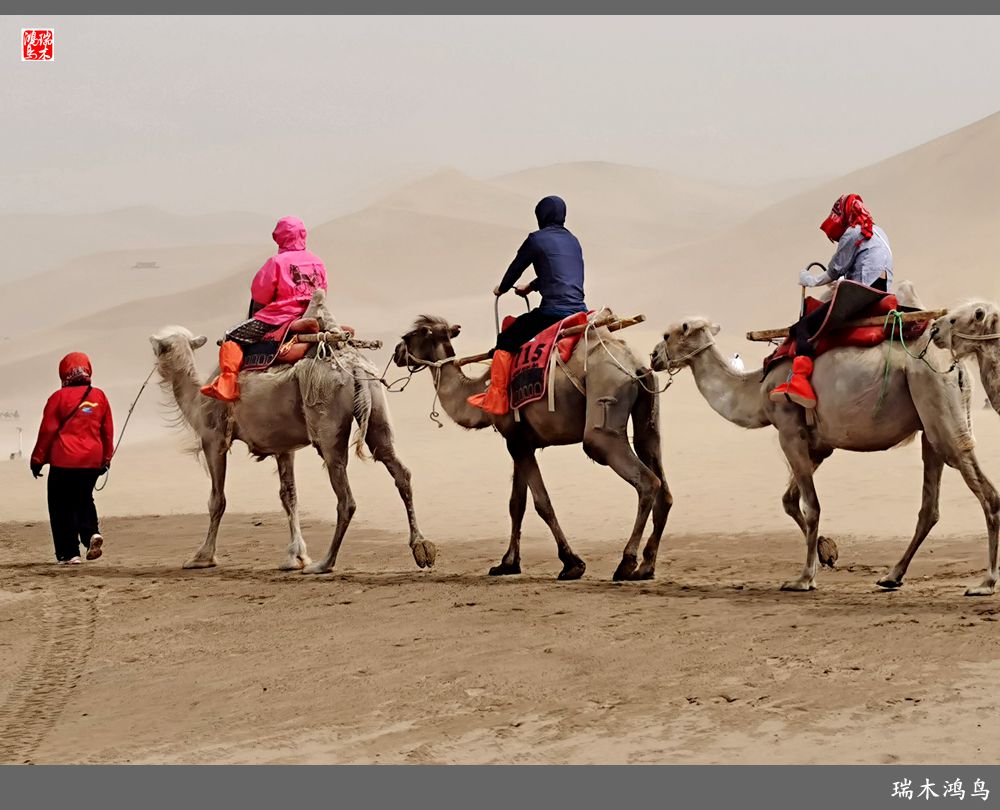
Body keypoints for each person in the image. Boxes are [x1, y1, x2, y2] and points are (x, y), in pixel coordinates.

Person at [769, 194, 894, 409]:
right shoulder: (879, 232)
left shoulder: (853, 232)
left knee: (803, 327)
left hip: (860, 293)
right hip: (881, 291)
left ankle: (799, 382)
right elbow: (866, 264)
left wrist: (810, 280)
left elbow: (834, 270)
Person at [468, 195, 587, 415]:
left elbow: (517, 267)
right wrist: (531, 287)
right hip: (579, 311)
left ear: (541, 215)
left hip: (553, 312)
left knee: (506, 339)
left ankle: (497, 399)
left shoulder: (536, 239)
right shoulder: (573, 241)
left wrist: (503, 288)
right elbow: (559, 275)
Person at [200, 216, 328, 401]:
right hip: (311, 313)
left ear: (279, 237)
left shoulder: (277, 262)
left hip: (280, 317)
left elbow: (261, 295)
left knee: (232, 336)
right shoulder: (317, 261)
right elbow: (323, 290)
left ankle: (228, 384)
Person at [30, 352, 114, 565]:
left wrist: (37, 459)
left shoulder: (57, 398)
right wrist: (106, 458)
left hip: (64, 461)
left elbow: (47, 431)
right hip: (92, 460)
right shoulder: (99, 396)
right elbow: (107, 431)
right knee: (83, 498)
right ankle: (91, 533)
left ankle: (69, 554)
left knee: (60, 505)